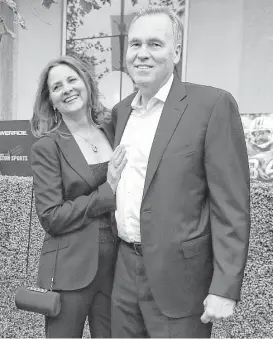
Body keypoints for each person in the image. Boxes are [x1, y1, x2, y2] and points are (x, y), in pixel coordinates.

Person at [109, 6, 251, 338]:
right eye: (135, 44)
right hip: (124, 273)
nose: (142, 54)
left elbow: (231, 205)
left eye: (155, 44)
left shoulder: (212, 105)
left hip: (181, 282)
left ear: (176, 51)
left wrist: (225, 286)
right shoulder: (120, 113)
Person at [30, 55, 126, 338]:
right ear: (51, 99)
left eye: (72, 80)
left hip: (118, 268)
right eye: (57, 86)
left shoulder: (113, 130)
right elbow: (51, 217)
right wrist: (107, 191)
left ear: (86, 82)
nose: (67, 89)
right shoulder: (48, 146)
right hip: (71, 270)